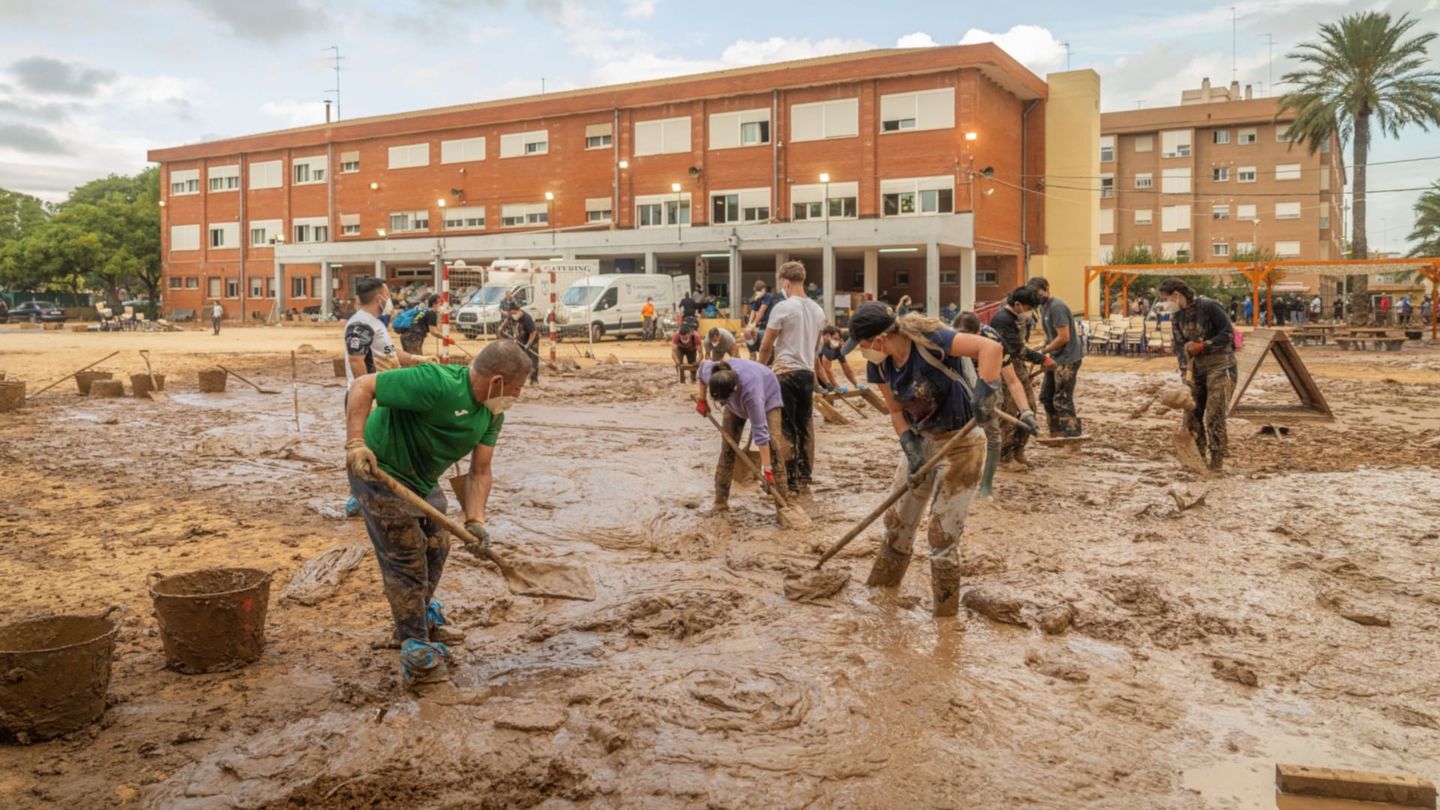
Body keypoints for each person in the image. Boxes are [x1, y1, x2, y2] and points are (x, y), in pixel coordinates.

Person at [345, 340, 530, 689]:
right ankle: (416, 652)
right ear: (497, 381)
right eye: (516, 389)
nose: (516, 397)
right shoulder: (436, 383)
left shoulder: (491, 413)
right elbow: (362, 386)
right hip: (378, 471)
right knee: (406, 557)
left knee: (438, 546)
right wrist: (355, 443)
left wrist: (475, 520)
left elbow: (480, 471)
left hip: (422, 480)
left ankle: (415, 619)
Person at [841, 301, 1003, 617]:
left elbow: (990, 349)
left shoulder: (931, 340)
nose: (861, 351)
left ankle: (945, 621)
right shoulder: (880, 364)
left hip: (962, 446)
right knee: (896, 524)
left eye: (861, 344)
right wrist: (910, 449)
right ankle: (881, 598)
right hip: (922, 439)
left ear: (879, 339)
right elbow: (896, 411)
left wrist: (986, 392)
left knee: (942, 537)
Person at [759, 261, 825, 493]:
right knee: (805, 426)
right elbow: (816, 348)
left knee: (785, 428)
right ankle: (804, 476)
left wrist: (760, 369)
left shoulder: (783, 307)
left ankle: (789, 478)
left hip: (785, 373)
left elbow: (767, 345)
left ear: (785, 282)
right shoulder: (818, 311)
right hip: (806, 373)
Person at [1158, 278, 1235, 473]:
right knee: (1191, 413)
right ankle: (1197, 458)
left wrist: (1204, 345)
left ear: (1177, 295)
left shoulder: (1209, 307)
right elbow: (1178, 345)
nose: (1165, 304)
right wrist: (1185, 373)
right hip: (1195, 369)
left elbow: (1227, 333)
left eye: (1166, 299)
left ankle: (1217, 460)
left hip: (1220, 364)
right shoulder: (1177, 316)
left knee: (1214, 414)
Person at [694, 358, 787, 511]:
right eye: (719, 401)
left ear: (735, 388)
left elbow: (761, 433)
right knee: (727, 449)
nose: (722, 404)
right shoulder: (712, 373)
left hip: (769, 396)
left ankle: (782, 506)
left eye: (725, 400)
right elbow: (700, 369)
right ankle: (720, 503)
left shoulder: (752, 393)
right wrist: (702, 399)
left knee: (774, 448)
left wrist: (767, 469)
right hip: (736, 401)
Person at [974, 287, 1044, 467]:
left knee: (1029, 409)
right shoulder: (1002, 319)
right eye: (1028, 308)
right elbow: (1016, 350)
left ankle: (1018, 451)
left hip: (1016, 367)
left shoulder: (1017, 318)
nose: (1029, 313)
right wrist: (1043, 359)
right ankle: (1004, 456)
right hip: (1005, 366)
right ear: (1018, 304)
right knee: (1010, 412)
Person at [344, 278, 434, 388]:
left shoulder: (376, 322)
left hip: (383, 390)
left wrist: (416, 359)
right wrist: (367, 392)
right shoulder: (360, 324)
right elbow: (356, 360)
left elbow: (389, 351)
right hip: (368, 395)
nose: (389, 299)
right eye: (388, 295)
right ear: (379, 299)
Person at [1027, 276, 1085, 437]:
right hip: (1055, 356)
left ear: (1046, 289)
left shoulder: (1056, 307)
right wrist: (1043, 345)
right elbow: (1052, 335)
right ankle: (1056, 433)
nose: (1036, 297)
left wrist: (1044, 351)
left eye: (1038, 293)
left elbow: (1064, 337)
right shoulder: (1043, 308)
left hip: (1067, 358)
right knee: (1046, 397)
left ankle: (1072, 436)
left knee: (1062, 399)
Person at [499, 301, 539, 384]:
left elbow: (533, 332)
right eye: (510, 313)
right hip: (521, 338)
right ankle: (519, 378)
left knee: (533, 358)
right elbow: (506, 321)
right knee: (518, 357)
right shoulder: (512, 315)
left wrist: (529, 344)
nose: (512, 315)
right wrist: (502, 328)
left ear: (518, 310)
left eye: (513, 312)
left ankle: (534, 379)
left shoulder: (527, 318)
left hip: (532, 338)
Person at [816, 325, 859, 392]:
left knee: (830, 393)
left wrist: (856, 384)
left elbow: (846, 368)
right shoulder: (829, 349)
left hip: (821, 373)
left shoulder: (840, 350)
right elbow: (827, 370)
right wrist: (837, 386)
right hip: (818, 374)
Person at [744, 281, 774, 356]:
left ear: (764, 289)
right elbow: (753, 310)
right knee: (758, 339)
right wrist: (749, 323)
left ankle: (769, 356)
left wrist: (754, 324)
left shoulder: (768, 296)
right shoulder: (757, 297)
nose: (758, 293)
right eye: (757, 291)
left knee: (768, 342)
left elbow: (762, 310)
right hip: (762, 324)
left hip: (770, 323)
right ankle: (753, 354)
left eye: (759, 291)